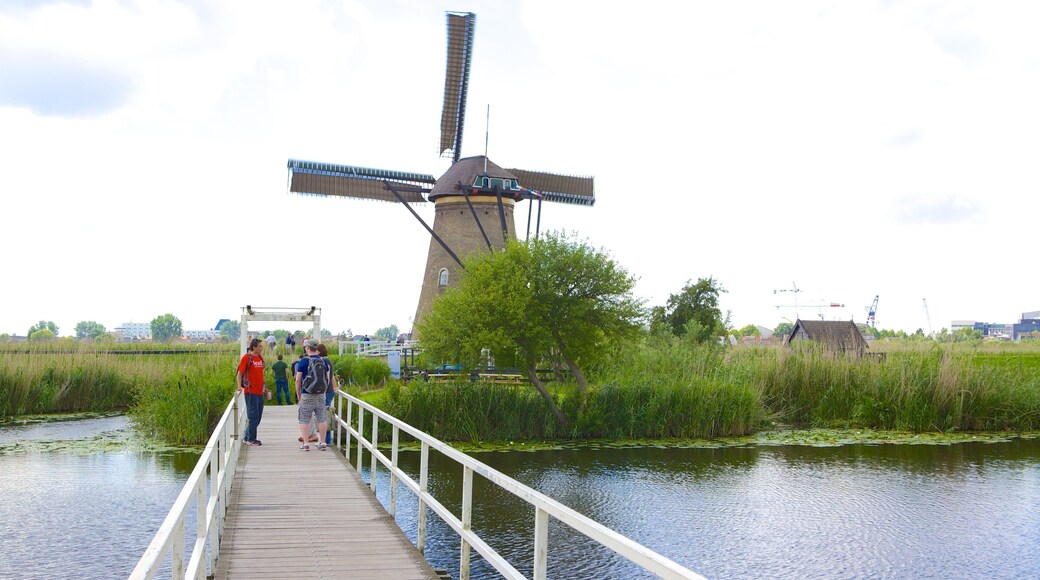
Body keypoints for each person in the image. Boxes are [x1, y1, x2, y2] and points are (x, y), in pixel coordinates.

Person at [295, 338, 337, 450]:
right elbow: (328, 378)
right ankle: (323, 443)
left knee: (304, 418)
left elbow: (298, 380)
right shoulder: (324, 361)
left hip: (307, 394)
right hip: (321, 395)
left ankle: (306, 444)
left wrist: (298, 394)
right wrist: (323, 391)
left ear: (307, 348)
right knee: (321, 418)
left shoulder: (304, 361)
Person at [236, 338, 267, 446]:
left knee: (258, 416)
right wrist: (239, 386)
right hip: (250, 391)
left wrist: (265, 388)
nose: (261, 348)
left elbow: (260, 374)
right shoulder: (246, 358)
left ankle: (246, 437)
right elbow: (240, 373)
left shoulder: (259, 358)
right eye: (259, 346)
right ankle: (251, 439)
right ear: (253, 347)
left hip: (259, 391)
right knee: (253, 416)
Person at [317, 343, 339, 445]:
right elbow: (332, 376)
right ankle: (326, 440)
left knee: (324, 415)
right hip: (330, 391)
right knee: (326, 413)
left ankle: (325, 440)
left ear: (318, 351)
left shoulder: (321, 361)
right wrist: (335, 387)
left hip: (324, 391)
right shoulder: (328, 361)